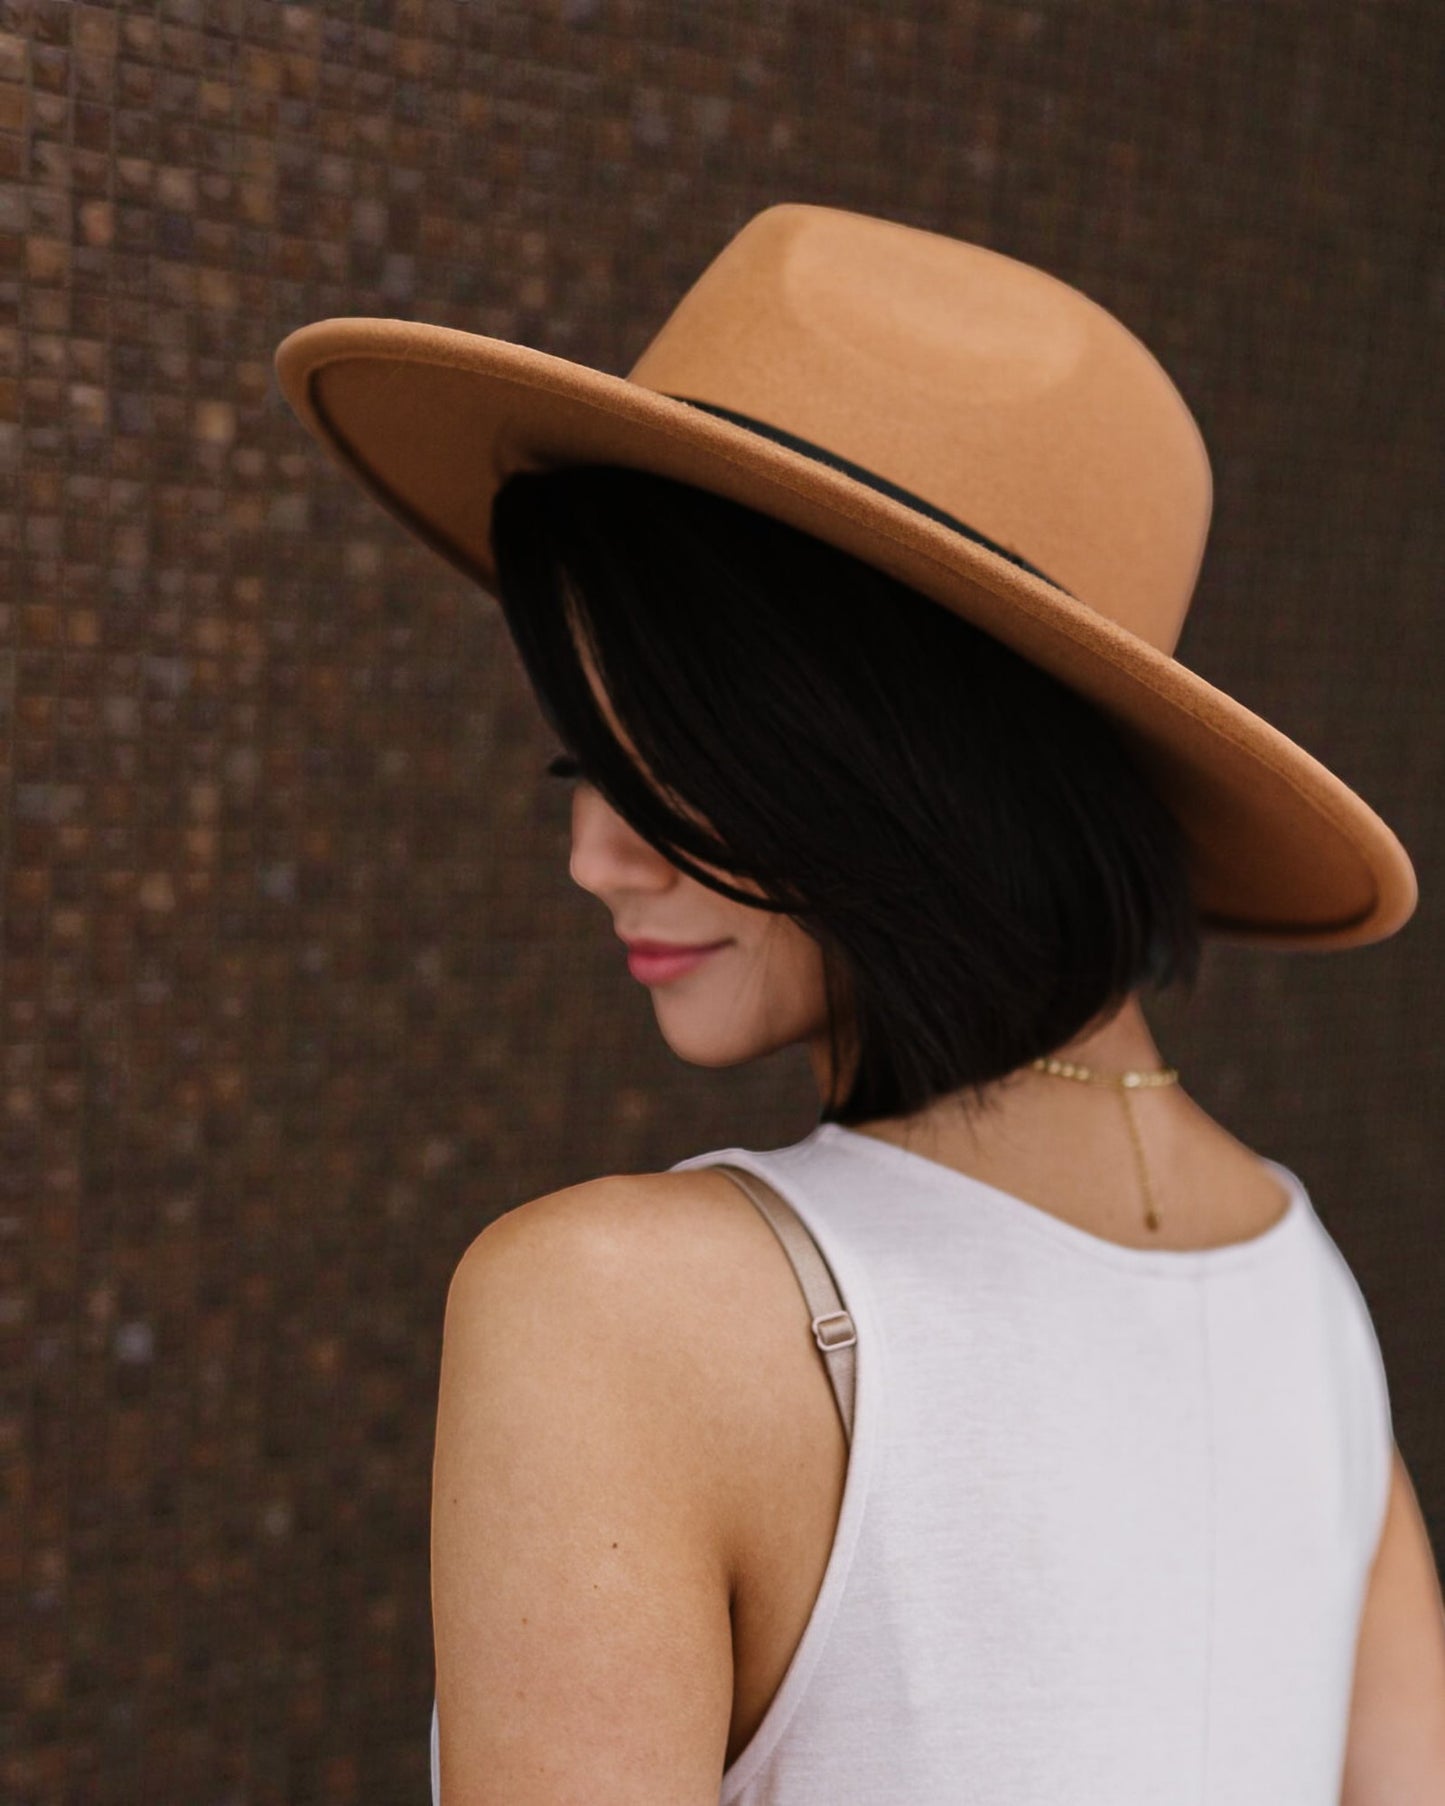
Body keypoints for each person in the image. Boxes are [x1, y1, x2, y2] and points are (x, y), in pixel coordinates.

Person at [272, 204, 1445, 1803]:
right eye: (580, 766)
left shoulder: (612, 1314)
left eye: (662, 762)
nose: (590, 857)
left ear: (906, 771)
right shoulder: (1310, 1303)